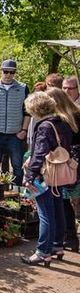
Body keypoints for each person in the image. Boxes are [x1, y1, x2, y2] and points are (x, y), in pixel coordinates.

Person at [20, 91, 74, 266]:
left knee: (45, 213)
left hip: (45, 174)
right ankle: (57, 245)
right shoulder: (62, 122)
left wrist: (29, 176)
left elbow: (39, 154)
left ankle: (43, 251)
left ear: (35, 109)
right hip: (59, 174)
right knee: (58, 209)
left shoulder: (44, 126)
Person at [45, 87, 80, 253]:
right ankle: (70, 238)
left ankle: (70, 238)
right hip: (74, 162)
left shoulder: (60, 120)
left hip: (66, 163)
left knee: (65, 202)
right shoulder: (76, 113)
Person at [0, 60, 30, 185]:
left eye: (12, 72)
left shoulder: (23, 88)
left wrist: (24, 130)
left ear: (15, 73)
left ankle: (17, 194)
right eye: (6, 71)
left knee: (17, 165)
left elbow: (27, 112)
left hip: (15, 135)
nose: (8, 74)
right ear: (1, 71)